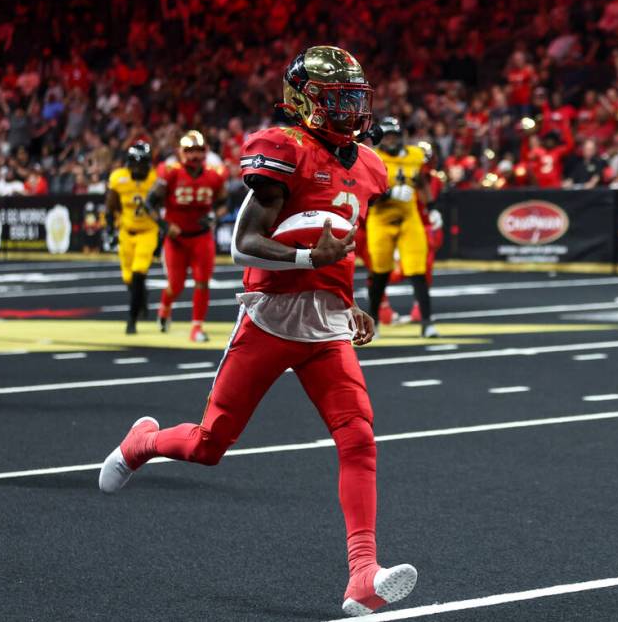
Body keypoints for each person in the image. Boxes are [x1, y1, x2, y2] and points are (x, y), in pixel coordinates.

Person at [98, 46, 418, 617]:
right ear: (305, 102)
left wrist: (345, 302)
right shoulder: (284, 149)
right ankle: (143, 442)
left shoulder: (369, 164)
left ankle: (363, 574)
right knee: (209, 445)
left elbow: (337, 245)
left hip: (323, 326)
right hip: (269, 318)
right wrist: (306, 264)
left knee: (358, 436)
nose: (349, 109)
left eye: (354, 98)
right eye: (336, 98)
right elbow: (242, 244)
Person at [148, 130, 227, 342]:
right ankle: (165, 308)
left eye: (199, 150)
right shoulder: (170, 172)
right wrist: (165, 225)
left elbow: (223, 203)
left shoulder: (215, 174)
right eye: (190, 151)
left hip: (201, 236)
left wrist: (213, 216)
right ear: (180, 152)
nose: (195, 156)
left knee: (202, 281)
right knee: (177, 284)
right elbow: (150, 203)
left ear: (206, 151)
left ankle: (197, 328)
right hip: (177, 238)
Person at [364, 117, 438, 338]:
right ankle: (374, 321)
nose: (390, 140)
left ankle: (427, 322)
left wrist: (431, 207)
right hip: (381, 218)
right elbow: (367, 192)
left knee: (417, 269)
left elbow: (422, 182)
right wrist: (390, 193)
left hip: (409, 217)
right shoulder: (372, 158)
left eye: (394, 136)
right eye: (386, 136)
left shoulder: (415, 156)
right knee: (380, 272)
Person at [104, 141, 158, 334]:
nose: (138, 168)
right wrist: (110, 229)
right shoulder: (118, 178)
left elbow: (163, 204)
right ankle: (142, 296)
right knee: (128, 278)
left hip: (148, 231)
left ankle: (132, 319)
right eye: (135, 163)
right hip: (126, 232)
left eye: (142, 163)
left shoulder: (155, 178)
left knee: (138, 273)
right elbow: (110, 206)